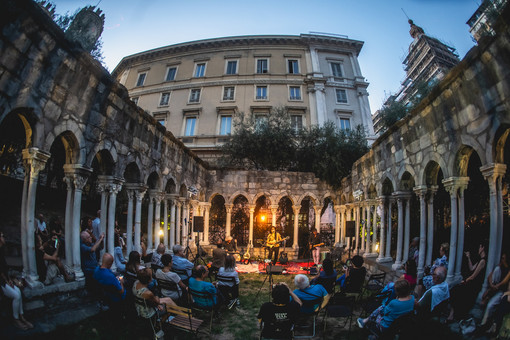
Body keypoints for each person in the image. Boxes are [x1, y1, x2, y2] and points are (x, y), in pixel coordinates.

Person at [0, 231, 34, 330]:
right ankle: (16, 319)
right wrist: (7, 281)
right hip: (1, 282)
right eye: (2, 236)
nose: (4, 238)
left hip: (5, 279)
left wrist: (11, 279)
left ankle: (21, 316)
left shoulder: (1, 250)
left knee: (18, 291)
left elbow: (4, 269)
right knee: (16, 295)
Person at [448, 242, 487, 321]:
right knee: (454, 290)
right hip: (470, 282)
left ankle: (455, 315)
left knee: (457, 291)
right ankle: (452, 314)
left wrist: (465, 281)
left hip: (474, 284)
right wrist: (468, 257)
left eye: (479, 247)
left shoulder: (483, 261)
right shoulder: (480, 259)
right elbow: (472, 268)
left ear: (482, 248)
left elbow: (473, 276)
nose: (478, 249)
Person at [479, 251, 510, 329]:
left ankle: (484, 325)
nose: (502, 259)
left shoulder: (508, 269)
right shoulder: (500, 266)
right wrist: (492, 285)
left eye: (503, 258)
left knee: (490, 306)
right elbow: (490, 276)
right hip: (495, 288)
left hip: (502, 291)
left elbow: (505, 281)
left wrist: (497, 286)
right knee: (497, 269)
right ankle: (490, 292)